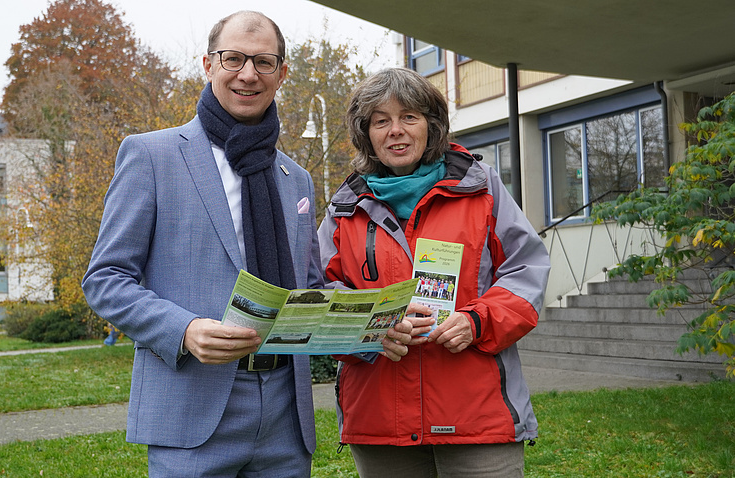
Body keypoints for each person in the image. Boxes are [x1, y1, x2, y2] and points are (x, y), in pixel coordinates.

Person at [82, 11, 335, 477]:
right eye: (233, 58)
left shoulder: (295, 179)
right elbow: (105, 279)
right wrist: (183, 329)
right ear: (207, 64)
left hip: (285, 414)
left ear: (282, 73)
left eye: (263, 61)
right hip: (192, 409)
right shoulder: (151, 155)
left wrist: (376, 320)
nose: (247, 74)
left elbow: (310, 289)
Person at [317, 68, 551, 478]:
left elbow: (527, 269)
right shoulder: (344, 208)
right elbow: (319, 292)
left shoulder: (481, 189)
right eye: (380, 120)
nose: (396, 131)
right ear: (366, 133)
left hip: (475, 415)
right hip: (379, 421)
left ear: (432, 125)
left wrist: (478, 320)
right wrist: (370, 328)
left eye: (409, 116)